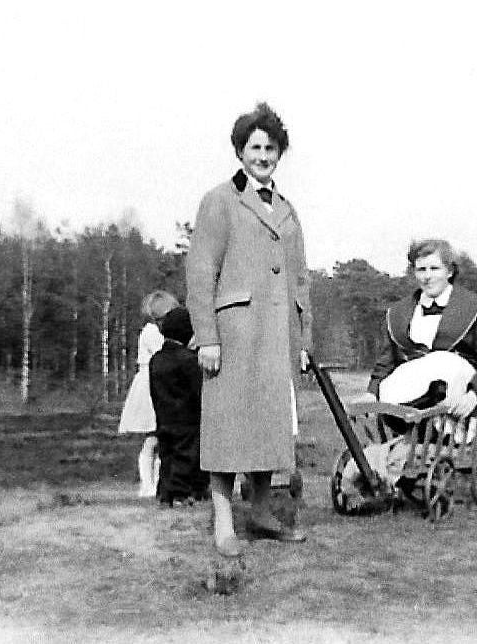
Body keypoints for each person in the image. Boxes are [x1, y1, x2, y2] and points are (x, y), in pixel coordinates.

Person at [186, 102, 312, 557]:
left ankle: (260, 514)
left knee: (267, 427)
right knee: (227, 428)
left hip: (276, 337)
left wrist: (303, 341)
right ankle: (224, 522)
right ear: (240, 151)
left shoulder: (288, 209)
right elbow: (201, 271)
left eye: (271, 148)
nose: (263, 156)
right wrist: (208, 337)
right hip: (234, 335)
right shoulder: (220, 201)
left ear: (280, 153)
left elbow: (300, 279)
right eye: (254, 147)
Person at [360, 239, 477, 420]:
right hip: (410, 401)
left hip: (461, 406)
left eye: (435, 269)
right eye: (421, 270)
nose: (427, 276)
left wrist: (474, 395)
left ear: (450, 271)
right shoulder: (398, 312)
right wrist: (371, 392)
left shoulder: (475, 308)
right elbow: (386, 362)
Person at [118, 290, 180, 497]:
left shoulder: (158, 333)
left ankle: (157, 482)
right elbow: (165, 352)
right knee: (152, 439)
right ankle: (147, 485)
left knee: (159, 440)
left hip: (159, 382)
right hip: (150, 386)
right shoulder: (151, 332)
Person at [149, 307, 209, 506]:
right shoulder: (189, 360)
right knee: (187, 456)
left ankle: (165, 493)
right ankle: (181, 493)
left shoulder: (156, 359)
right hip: (187, 418)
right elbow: (199, 390)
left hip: (164, 417)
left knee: (167, 455)